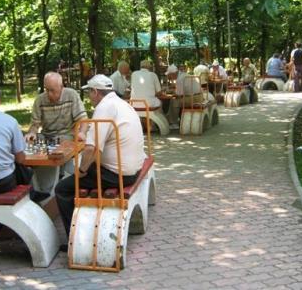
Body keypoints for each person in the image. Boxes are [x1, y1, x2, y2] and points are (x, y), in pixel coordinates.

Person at [55, 75, 145, 248]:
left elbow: (91, 149)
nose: (89, 98)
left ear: (95, 92)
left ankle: (74, 242)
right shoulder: (121, 103)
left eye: (89, 93)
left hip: (118, 174)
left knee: (62, 189)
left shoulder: (104, 108)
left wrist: (81, 171)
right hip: (132, 168)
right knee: (82, 170)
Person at [165, 64, 202, 129]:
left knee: (174, 101)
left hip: (194, 98)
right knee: (174, 100)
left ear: (173, 73)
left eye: (169, 75)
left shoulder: (180, 79)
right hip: (198, 96)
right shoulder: (182, 75)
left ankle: (174, 123)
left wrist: (169, 93)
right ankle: (172, 119)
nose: (169, 77)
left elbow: (179, 95)